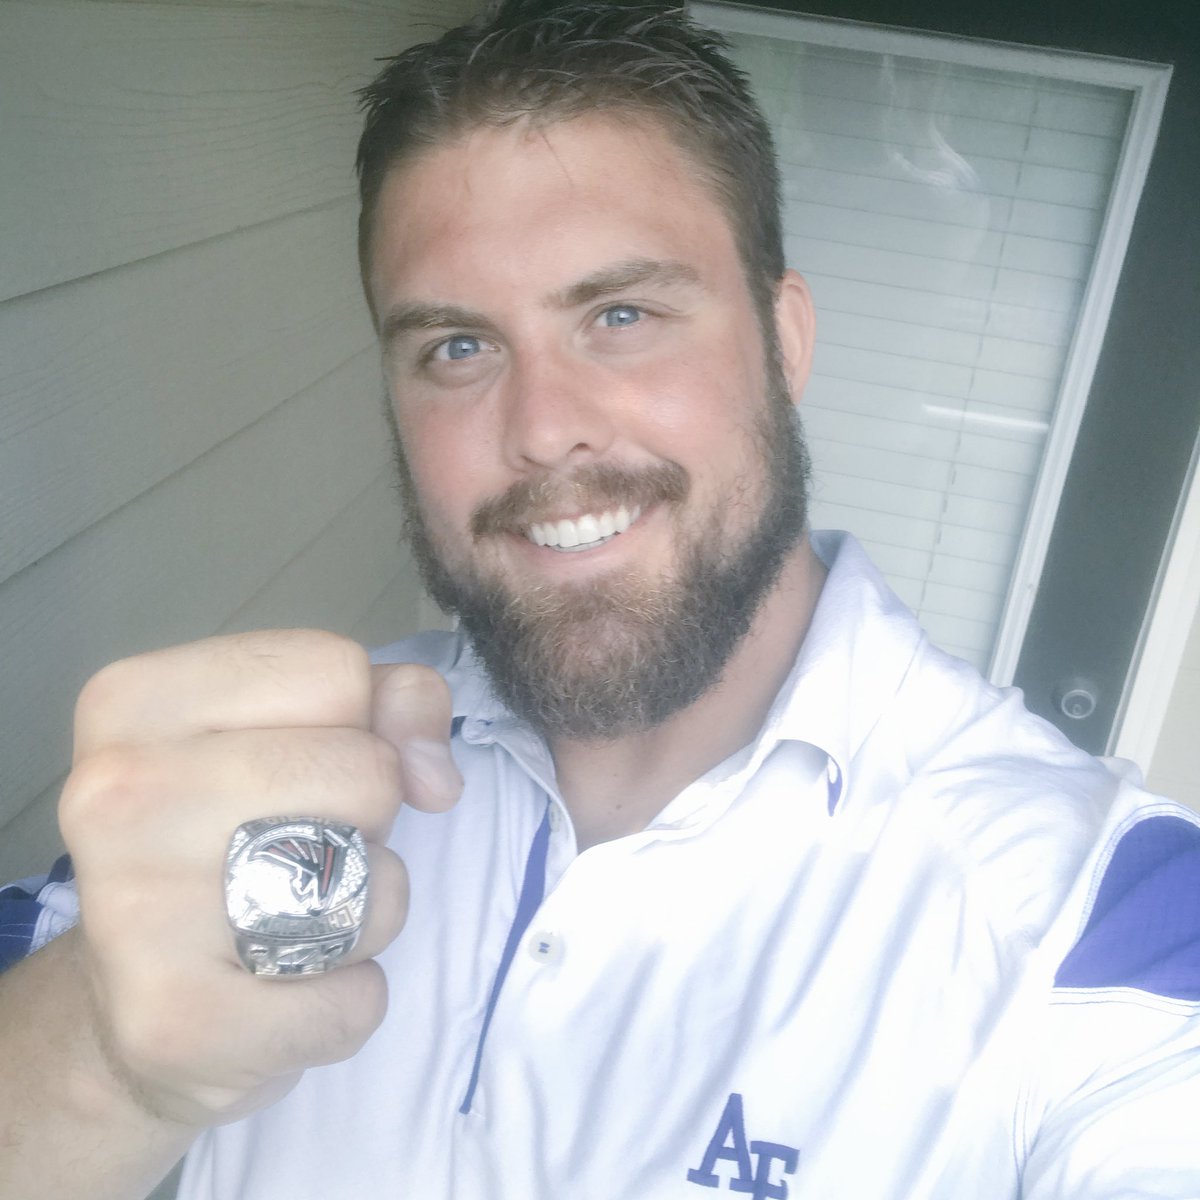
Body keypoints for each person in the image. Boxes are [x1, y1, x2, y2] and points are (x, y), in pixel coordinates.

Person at [2, 1, 1199, 1197]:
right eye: (458, 349)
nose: (539, 429)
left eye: (620, 316)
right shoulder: (273, 799)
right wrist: (106, 1061)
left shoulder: (1097, 915)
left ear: (783, 342)